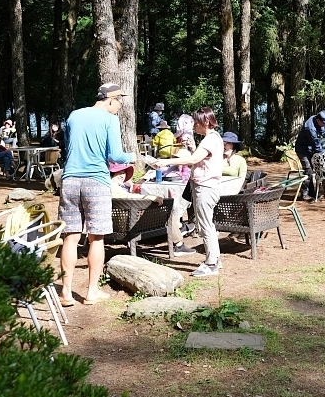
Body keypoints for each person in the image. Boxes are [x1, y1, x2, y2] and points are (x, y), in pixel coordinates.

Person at [58, 83, 135, 306]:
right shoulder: (110, 120)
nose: (120, 106)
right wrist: (132, 157)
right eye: (119, 101)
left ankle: (66, 293)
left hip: (70, 180)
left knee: (70, 237)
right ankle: (92, 292)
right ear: (110, 99)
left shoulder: (74, 116)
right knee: (97, 237)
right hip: (96, 181)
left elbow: (69, 147)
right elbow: (116, 156)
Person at [151, 106, 225, 278]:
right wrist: (193, 148)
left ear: (205, 122)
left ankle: (211, 264)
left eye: (196, 122)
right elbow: (201, 160)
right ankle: (215, 259)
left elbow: (193, 160)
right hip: (206, 186)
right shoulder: (212, 138)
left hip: (205, 188)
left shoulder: (210, 139)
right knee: (207, 224)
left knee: (205, 225)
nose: (194, 126)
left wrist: (166, 162)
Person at [294, 110, 325, 201]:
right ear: (319, 120)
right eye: (324, 123)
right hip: (302, 150)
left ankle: (311, 192)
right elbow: (316, 145)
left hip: (309, 149)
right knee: (308, 170)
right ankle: (304, 194)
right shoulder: (310, 128)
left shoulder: (316, 119)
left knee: (311, 170)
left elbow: (324, 132)